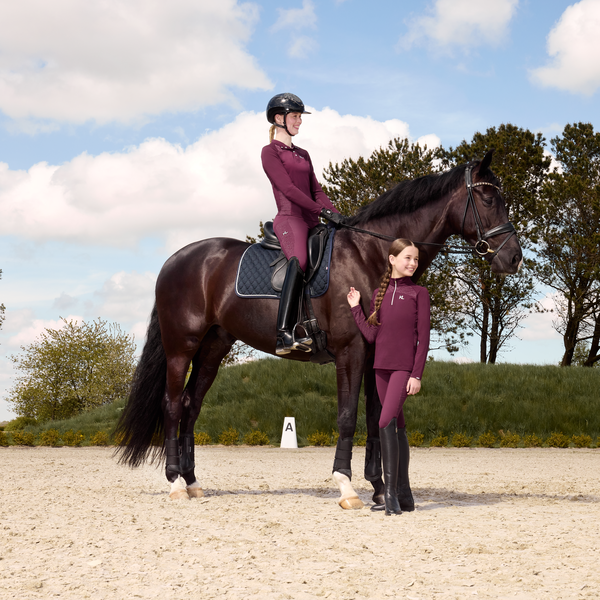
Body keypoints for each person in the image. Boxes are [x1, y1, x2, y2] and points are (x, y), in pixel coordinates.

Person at [347, 239, 430, 516]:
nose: (413, 263)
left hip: (403, 369)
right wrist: (356, 308)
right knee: (397, 425)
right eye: (408, 258)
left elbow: (424, 339)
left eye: (416, 259)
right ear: (392, 259)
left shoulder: (419, 293)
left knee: (385, 421)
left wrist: (416, 374)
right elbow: (373, 336)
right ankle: (406, 497)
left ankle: (391, 494)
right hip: (380, 368)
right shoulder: (378, 294)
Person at [262, 93, 345, 356]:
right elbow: (286, 189)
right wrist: (319, 210)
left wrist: (336, 214)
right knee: (299, 260)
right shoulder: (270, 152)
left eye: (299, 117)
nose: (299, 122)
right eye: (295, 116)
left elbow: (316, 189)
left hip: (311, 218)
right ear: (279, 118)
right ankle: (284, 333)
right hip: (291, 219)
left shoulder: (303, 153)